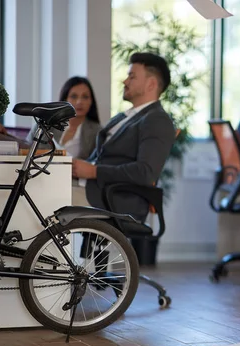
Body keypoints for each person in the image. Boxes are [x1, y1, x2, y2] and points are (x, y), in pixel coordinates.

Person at [72, 52, 176, 222]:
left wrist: (94, 171)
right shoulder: (124, 117)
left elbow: (145, 172)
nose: (125, 81)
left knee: (41, 200)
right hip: (91, 188)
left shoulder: (157, 120)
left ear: (151, 84)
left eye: (131, 76)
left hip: (113, 199)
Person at [25, 76, 101, 159]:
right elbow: (24, 150)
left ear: (91, 101)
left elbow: (96, 164)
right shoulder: (44, 124)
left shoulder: (98, 132)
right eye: (74, 96)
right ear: (65, 100)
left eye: (85, 97)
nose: (79, 102)